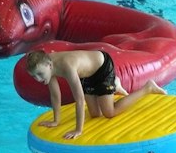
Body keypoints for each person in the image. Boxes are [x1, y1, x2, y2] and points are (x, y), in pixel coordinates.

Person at [23, 48, 163, 141]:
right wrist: (56, 121)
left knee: (109, 112)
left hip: (102, 67)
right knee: (95, 114)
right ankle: (116, 85)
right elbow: (55, 95)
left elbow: (79, 100)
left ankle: (147, 88)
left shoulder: (67, 66)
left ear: (50, 65)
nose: (39, 79)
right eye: (34, 77)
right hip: (87, 74)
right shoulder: (46, 66)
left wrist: (78, 130)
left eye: (40, 75)